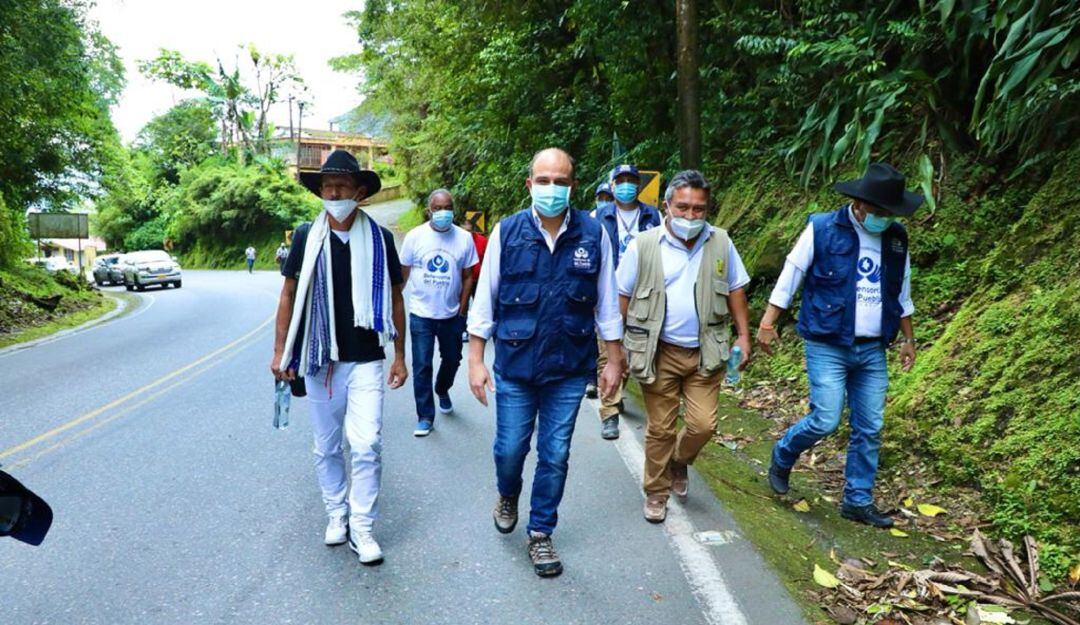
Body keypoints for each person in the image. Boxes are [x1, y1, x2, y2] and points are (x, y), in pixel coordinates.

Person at [467, 147, 624, 578]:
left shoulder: (594, 235)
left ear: (573, 186)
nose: (551, 189)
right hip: (516, 365)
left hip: (569, 368)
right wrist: (476, 360)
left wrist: (613, 361)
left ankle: (540, 532)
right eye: (543, 181)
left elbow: (607, 305)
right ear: (529, 184)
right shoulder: (507, 232)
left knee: (555, 454)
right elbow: (485, 300)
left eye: (560, 181)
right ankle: (508, 493)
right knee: (510, 450)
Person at [757, 162, 920, 529]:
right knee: (826, 419)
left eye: (889, 213)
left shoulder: (896, 238)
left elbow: (902, 293)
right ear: (859, 203)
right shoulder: (823, 229)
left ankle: (857, 500)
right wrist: (767, 322)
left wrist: (908, 340)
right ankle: (783, 453)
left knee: (870, 426)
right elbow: (791, 275)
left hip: (873, 348)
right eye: (878, 211)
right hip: (827, 342)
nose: (883, 218)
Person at [271, 149, 408, 565]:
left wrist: (400, 355)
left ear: (359, 192)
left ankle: (362, 527)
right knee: (327, 446)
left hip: (366, 358)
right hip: (319, 360)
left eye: (342, 186)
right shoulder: (305, 237)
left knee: (366, 445)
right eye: (327, 187)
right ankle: (337, 513)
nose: (333, 194)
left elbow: (396, 298)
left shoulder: (381, 239)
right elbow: (288, 294)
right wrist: (280, 351)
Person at [617, 170, 751, 523]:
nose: (690, 216)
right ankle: (656, 491)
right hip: (659, 351)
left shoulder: (721, 242)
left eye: (698, 209)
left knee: (703, 425)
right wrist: (618, 349)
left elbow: (736, 289)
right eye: (683, 207)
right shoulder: (644, 245)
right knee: (660, 428)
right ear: (667, 206)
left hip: (707, 351)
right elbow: (622, 296)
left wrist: (744, 335)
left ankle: (679, 460)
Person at [588, 165, 663, 440]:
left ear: (639, 184)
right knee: (608, 351)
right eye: (621, 180)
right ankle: (609, 412)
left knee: (631, 352)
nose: (627, 185)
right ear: (613, 185)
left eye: (631, 180)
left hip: (642, 293)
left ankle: (616, 392)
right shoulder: (598, 216)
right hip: (607, 292)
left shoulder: (653, 215)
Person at [399, 189, 479, 437]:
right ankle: (425, 416)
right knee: (422, 365)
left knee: (452, 359)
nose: (443, 212)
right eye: (438, 208)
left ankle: (442, 388)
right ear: (429, 211)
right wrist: (392, 306)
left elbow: (468, 276)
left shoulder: (464, 238)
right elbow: (403, 276)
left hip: (451, 315)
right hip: (421, 314)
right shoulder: (415, 237)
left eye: (448, 208)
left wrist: (462, 309)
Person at [461, 217, 489, 342]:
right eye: (465, 228)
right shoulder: (458, 240)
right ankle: (463, 329)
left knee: (480, 306)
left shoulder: (482, 241)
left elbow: (487, 260)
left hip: (479, 279)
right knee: (463, 305)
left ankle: (479, 330)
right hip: (462, 279)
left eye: (469, 228)